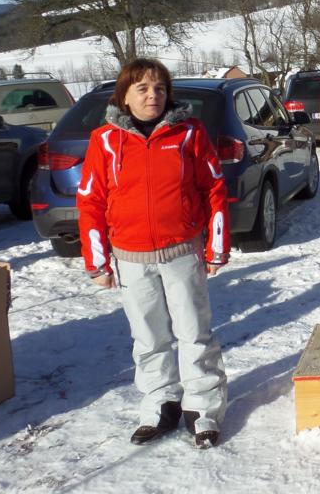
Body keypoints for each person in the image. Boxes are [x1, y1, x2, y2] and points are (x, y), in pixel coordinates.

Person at [77, 58, 229, 448]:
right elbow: (91, 201)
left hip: (182, 252)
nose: (153, 95)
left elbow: (213, 189)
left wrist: (216, 246)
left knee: (193, 333)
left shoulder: (189, 133)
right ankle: (161, 404)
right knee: (148, 337)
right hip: (131, 258)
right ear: (124, 96)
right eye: (142, 88)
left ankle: (202, 409)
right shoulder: (105, 140)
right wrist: (97, 261)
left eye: (160, 88)